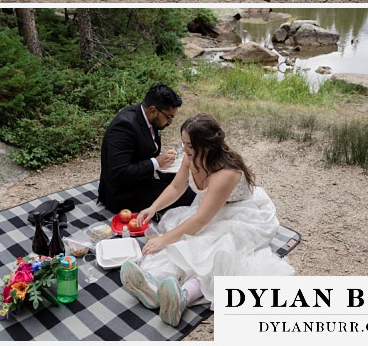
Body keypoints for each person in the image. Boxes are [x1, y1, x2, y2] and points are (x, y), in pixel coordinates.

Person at [119, 113, 293, 327]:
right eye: (184, 143)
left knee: (214, 248)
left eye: (189, 145)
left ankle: (183, 296)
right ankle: (153, 288)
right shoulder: (191, 159)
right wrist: (154, 207)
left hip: (242, 214)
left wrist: (164, 239)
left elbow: (201, 220)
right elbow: (176, 187)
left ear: (207, 146)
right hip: (209, 208)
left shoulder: (226, 173)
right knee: (181, 239)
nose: (185, 150)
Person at [97, 84, 196, 214]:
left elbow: (142, 150)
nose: (170, 122)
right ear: (153, 110)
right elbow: (119, 173)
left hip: (144, 178)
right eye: (169, 117)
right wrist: (156, 162)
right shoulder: (123, 127)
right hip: (124, 193)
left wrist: (161, 159)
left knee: (188, 181)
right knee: (189, 195)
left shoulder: (147, 117)